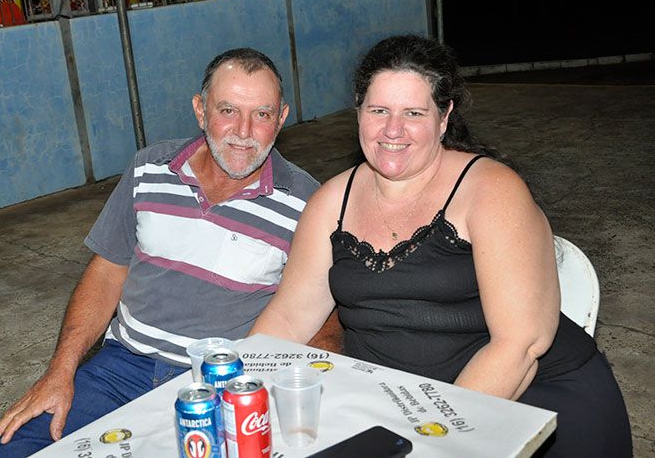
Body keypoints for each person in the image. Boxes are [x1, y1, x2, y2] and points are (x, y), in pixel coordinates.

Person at [250, 35, 632, 457]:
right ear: (358, 110)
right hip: (396, 407)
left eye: (414, 113)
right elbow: (288, 318)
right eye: (379, 111)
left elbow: (519, 346)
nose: (392, 130)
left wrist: (429, 441)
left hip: (531, 406)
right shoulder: (331, 201)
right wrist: (235, 387)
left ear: (444, 117)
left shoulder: (490, 191)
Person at [0, 48, 319, 457]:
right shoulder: (149, 169)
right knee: (7, 451)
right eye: (227, 110)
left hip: (221, 382)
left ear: (281, 118)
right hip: (119, 369)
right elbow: (107, 272)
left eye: (262, 114)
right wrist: (59, 371)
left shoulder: (306, 203)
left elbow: (319, 315)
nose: (244, 131)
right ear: (200, 110)